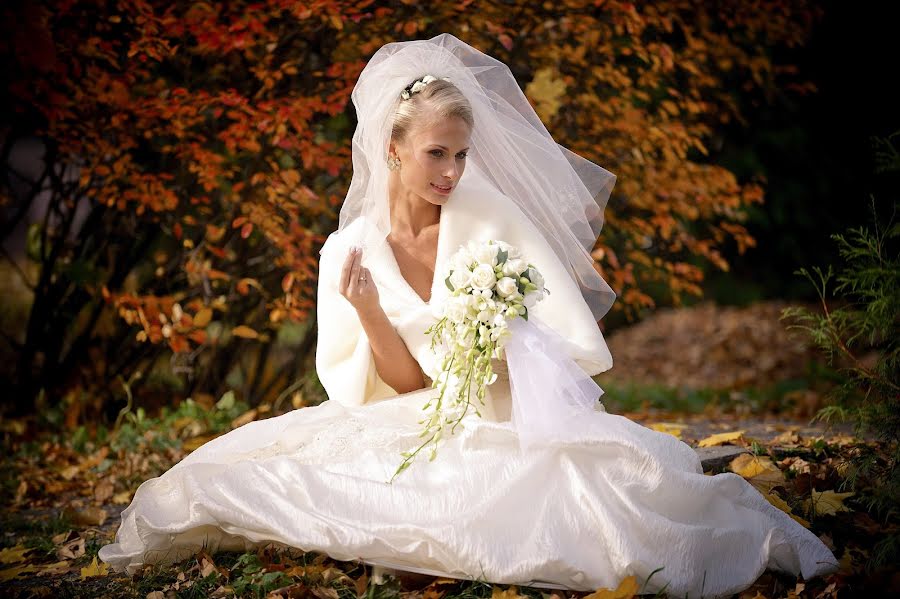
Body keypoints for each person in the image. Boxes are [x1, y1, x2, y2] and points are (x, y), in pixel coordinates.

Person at [98, 34, 839, 596]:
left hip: (505, 408)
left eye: (460, 153)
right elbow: (393, 382)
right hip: (413, 414)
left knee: (606, 493)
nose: (451, 172)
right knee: (254, 475)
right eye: (435, 154)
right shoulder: (349, 250)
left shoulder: (487, 216)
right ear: (391, 148)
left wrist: (503, 335)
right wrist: (367, 309)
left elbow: (554, 337)